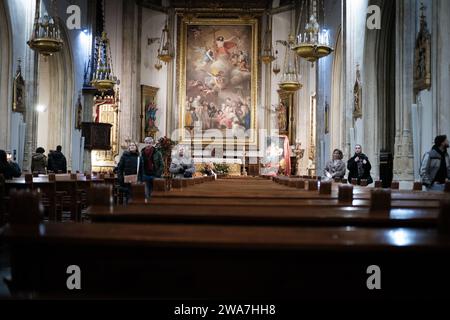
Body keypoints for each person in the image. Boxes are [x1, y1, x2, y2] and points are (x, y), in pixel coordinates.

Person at [140, 137, 163, 203]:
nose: (148, 144)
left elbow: (161, 164)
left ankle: (153, 205)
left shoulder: (157, 152)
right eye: (147, 143)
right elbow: (140, 164)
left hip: (154, 174)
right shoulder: (142, 152)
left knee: (154, 192)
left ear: (152, 143)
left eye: (150, 143)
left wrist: (158, 174)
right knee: (146, 192)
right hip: (145, 174)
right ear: (145, 143)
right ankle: (147, 206)